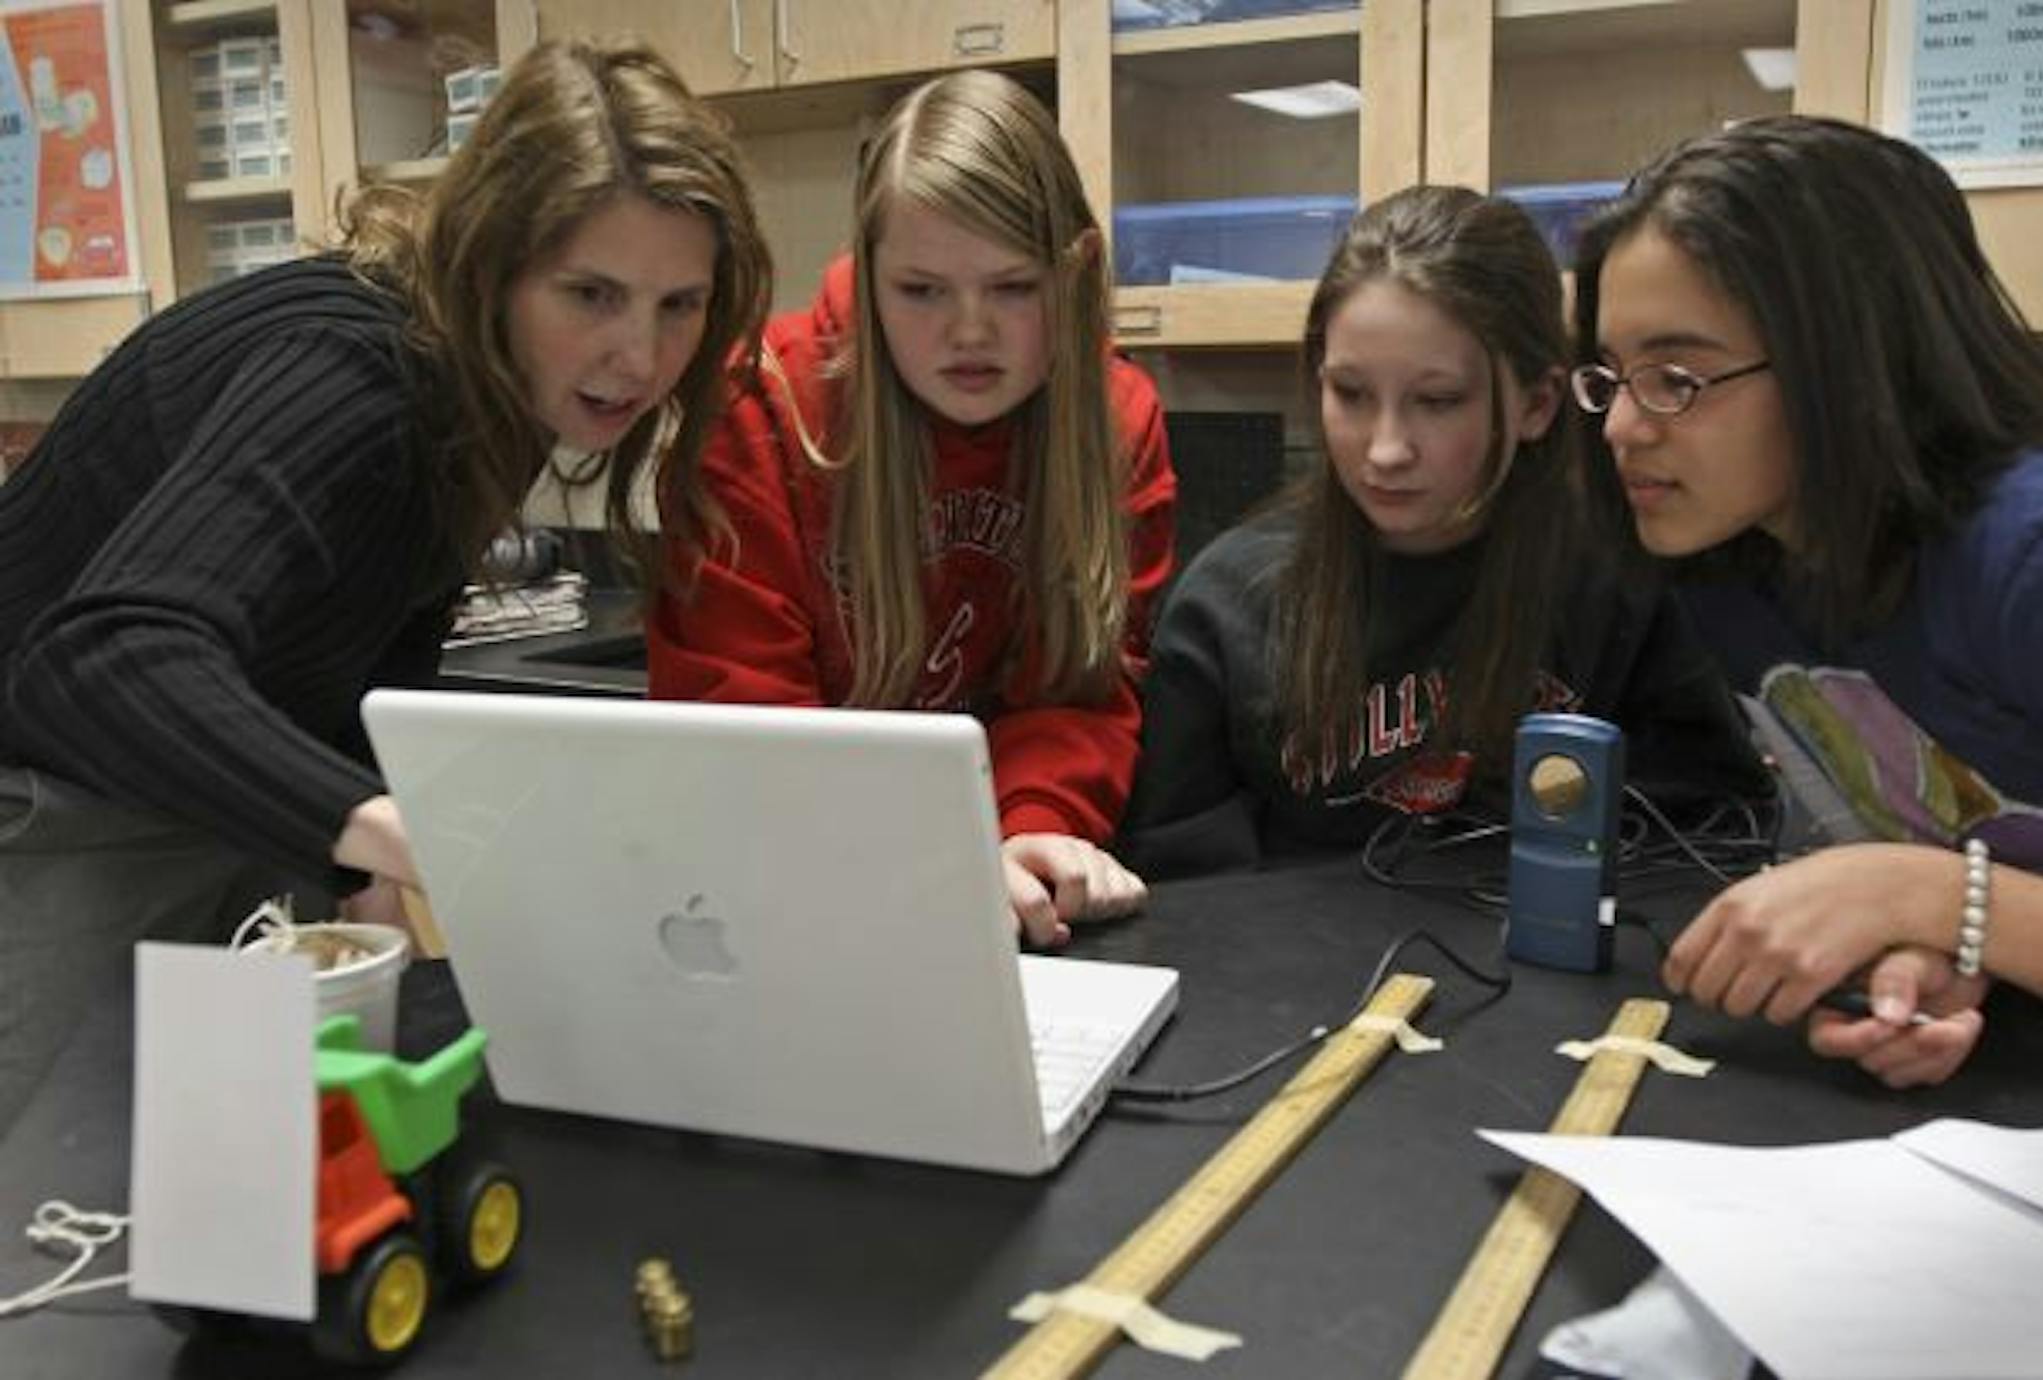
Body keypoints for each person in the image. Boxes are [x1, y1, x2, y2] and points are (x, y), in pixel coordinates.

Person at [0, 37, 772, 1132]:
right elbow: (105, 655)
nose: (638, 358)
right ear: (490, 263)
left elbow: (371, 632)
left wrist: (365, 868)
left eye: (677, 306)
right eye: (590, 294)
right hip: (48, 806)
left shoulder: (489, 390)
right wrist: (395, 826)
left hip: (186, 791)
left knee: (231, 1177)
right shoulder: (351, 369)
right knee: (51, 1217)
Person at [1571, 114, 2043, 1086]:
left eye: (1677, 377)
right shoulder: (1733, 568)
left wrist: (1930, 901)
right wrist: (1942, 954)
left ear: (1851, 359)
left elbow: (1938, 883)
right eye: (1613, 378)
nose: (1624, 427)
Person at [646, 70, 1177, 948]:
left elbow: (1082, 686)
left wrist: (1032, 827)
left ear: (1074, 272)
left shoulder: (1116, 423)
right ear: (871, 267)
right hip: (785, 884)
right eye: (921, 290)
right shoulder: (757, 408)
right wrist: (932, 861)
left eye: (1012, 287)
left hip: (1001, 885)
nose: (969, 331)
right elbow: (741, 727)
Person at [1120, 185, 1766, 878]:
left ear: (1538, 404)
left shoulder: (1622, 584)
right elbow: (1186, 896)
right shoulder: (1226, 603)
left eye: (1438, 401)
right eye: (1351, 394)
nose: (1386, 449)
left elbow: (1716, 838)